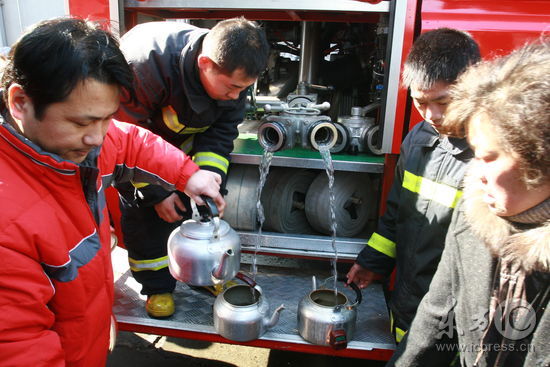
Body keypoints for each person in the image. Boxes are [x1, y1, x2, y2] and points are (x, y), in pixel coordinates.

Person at [0, 17, 224, 367]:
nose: (98, 137)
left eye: (106, 118)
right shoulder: (7, 225)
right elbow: (18, 348)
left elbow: (131, 140)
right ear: (19, 102)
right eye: (82, 122)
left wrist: (189, 175)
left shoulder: (73, 143)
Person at [387, 38, 549, 367]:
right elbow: (435, 318)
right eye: (474, 154)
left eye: (489, 158)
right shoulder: (475, 219)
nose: (477, 173)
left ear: (539, 158)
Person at [113, 18, 270, 318]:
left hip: (185, 149)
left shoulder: (233, 74)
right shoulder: (145, 66)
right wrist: (156, 194)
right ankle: (157, 286)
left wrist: (209, 178)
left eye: (244, 89)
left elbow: (222, 133)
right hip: (138, 153)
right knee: (148, 219)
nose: (236, 96)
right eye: (232, 87)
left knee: (202, 205)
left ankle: (204, 275)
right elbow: (125, 139)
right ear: (205, 63)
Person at [346, 28, 481, 342]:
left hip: (455, 325)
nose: (432, 115)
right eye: (421, 103)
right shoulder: (418, 140)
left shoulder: (491, 158)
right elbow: (397, 213)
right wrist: (372, 262)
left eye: (444, 102)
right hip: (408, 305)